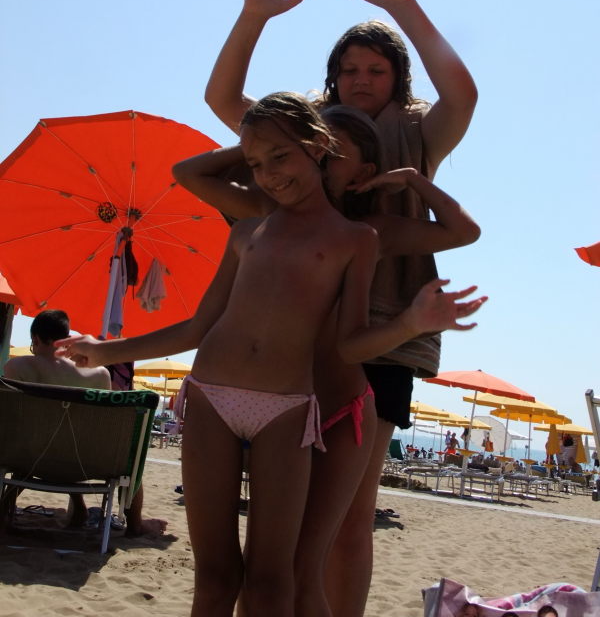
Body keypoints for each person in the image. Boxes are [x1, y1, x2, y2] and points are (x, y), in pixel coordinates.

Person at [56, 93, 485, 617]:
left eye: (281, 156)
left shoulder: (359, 239)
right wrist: (107, 350)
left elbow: (351, 344)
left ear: (318, 147)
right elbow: (198, 327)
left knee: (271, 581)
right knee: (214, 578)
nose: (269, 174)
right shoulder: (247, 230)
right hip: (210, 397)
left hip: (289, 410)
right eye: (256, 164)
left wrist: (409, 324)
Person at [203, 0, 478, 616]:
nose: (361, 80)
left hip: (383, 340)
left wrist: (402, 3)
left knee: (350, 517)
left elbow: (463, 96)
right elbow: (225, 102)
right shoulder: (308, 131)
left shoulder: (415, 131)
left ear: (398, 79)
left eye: (376, 70)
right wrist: (253, 15)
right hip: (301, 341)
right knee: (285, 524)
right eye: (350, 69)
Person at [2, 309, 111, 527]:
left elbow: (13, 419)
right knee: (66, 440)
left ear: (35, 339)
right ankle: (82, 507)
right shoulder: (100, 374)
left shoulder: (17, 366)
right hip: (82, 463)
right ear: (67, 338)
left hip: (30, 458)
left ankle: (5, 503)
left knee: (30, 438)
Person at [105, 360, 168, 538]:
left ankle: (79, 508)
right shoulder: (114, 377)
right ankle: (135, 524)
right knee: (132, 467)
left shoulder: (74, 373)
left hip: (59, 458)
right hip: (113, 459)